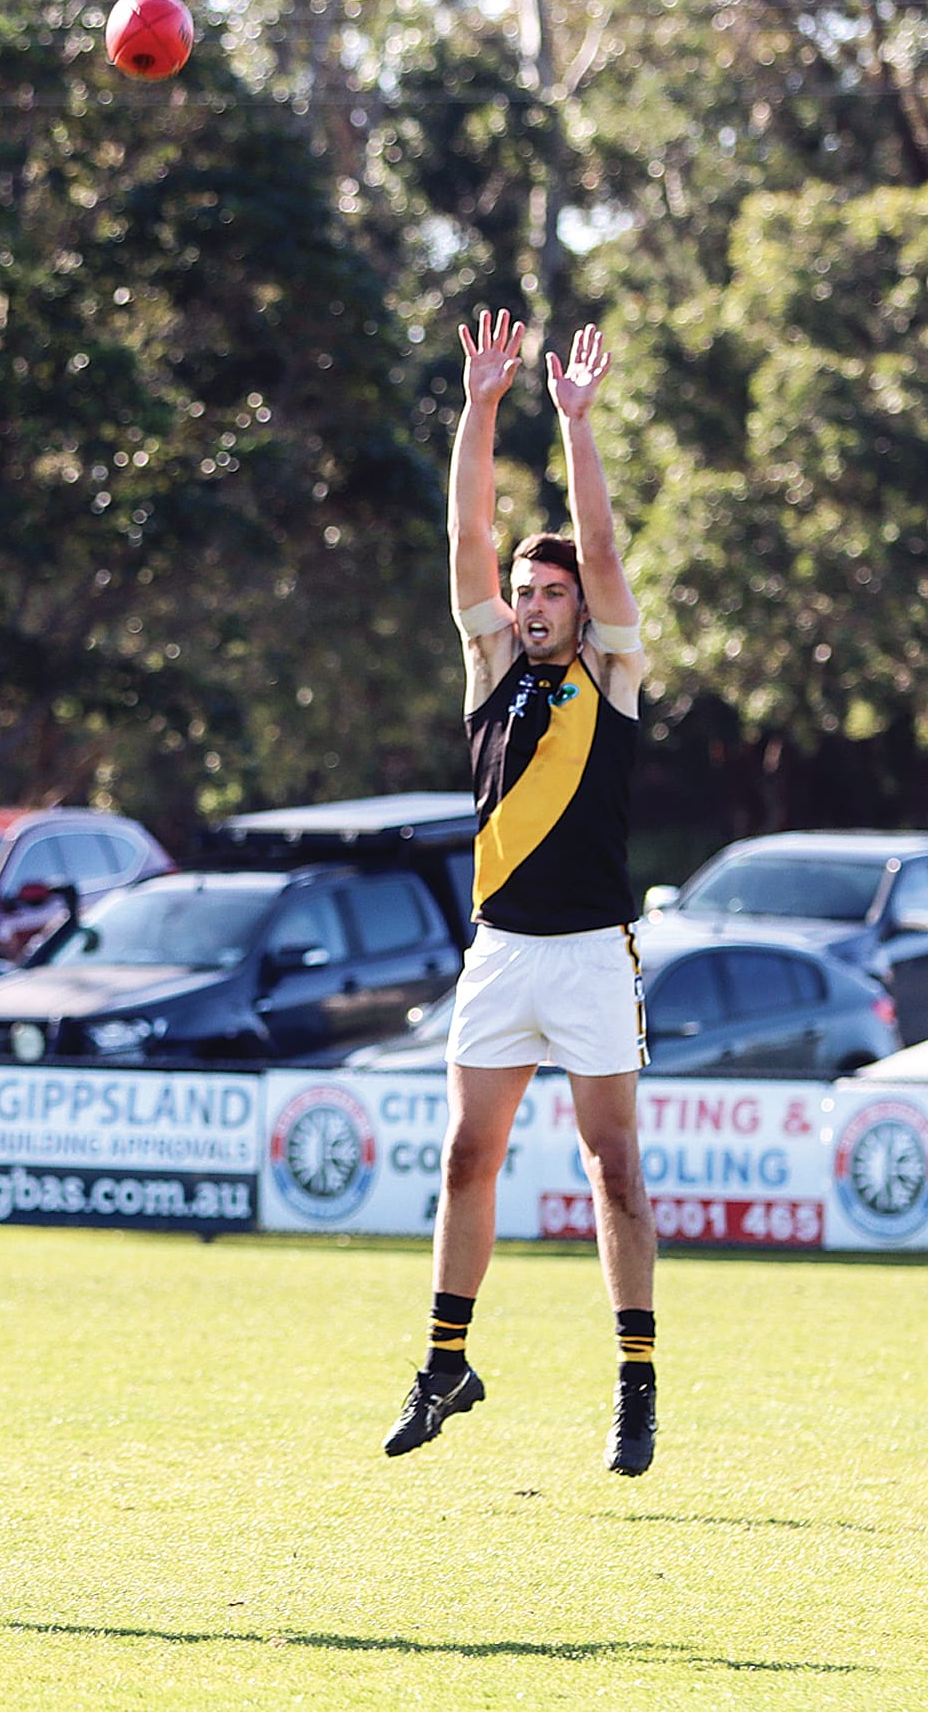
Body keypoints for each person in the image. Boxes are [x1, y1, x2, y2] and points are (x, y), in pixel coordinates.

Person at [382, 311, 658, 1476]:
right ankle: (446, 1363)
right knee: (464, 1156)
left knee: (611, 1165)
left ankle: (633, 1383)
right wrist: (480, 402)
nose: (536, 602)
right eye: (523, 592)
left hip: (592, 952)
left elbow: (598, 548)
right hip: (499, 950)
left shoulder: (612, 668)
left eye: (550, 592)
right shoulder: (491, 668)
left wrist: (576, 425)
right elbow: (464, 526)